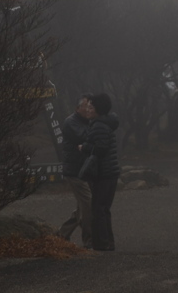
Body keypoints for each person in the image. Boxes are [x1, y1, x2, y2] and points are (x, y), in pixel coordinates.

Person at [80, 92, 120, 251]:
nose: (87, 110)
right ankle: (108, 243)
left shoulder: (98, 125)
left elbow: (101, 149)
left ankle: (102, 244)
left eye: (91, 107)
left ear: (98, 109)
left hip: (104, 173)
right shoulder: (105, 123)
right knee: (103, 209)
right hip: (110, 173)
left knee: (98, 209)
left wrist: (84, 147)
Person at [58, 95, 94, 246]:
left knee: (82, 207)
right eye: (86, 106)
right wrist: (97, 127)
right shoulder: (71, 122)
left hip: (84, 169)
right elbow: (84, 137)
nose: (89, 109)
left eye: (91, 106)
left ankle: (61, 235)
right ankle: (89, 241)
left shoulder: (87, 121)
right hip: (74, 171)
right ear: (78, 108)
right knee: (88, 203)